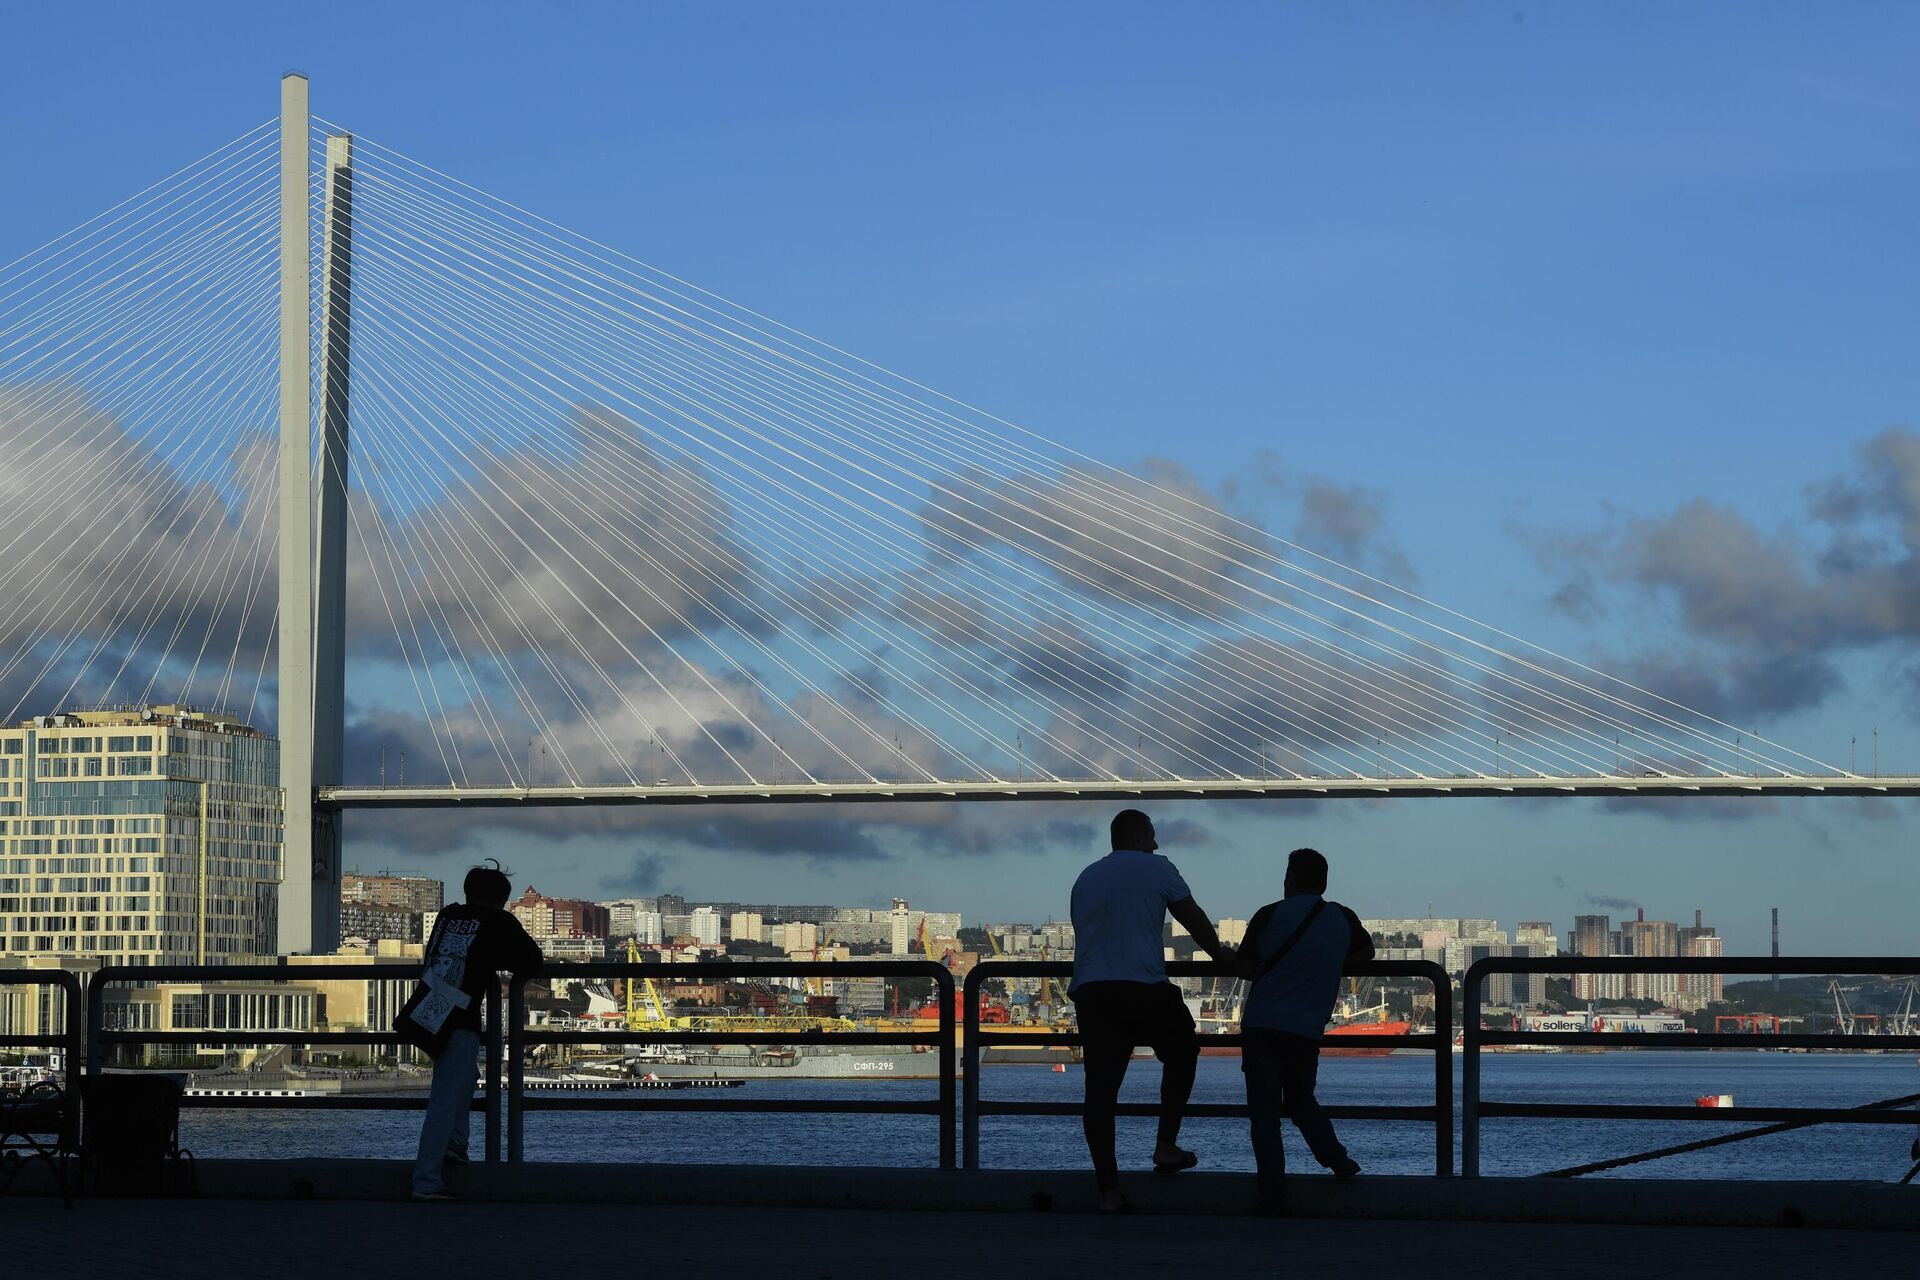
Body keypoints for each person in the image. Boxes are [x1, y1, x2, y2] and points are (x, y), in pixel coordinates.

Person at [1069, 808, 1234, 1213]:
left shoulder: (1086, 876)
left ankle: (1108, 1191)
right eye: (1153, 836)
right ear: (1141, 838)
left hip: (1092, 992)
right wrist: (1219, 956)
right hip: (1142, 986)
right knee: (1182, 1052)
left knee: (1100, 1093)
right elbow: (1191, 916)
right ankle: (1165, 1144)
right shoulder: (1157, 868)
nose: (1158, 844)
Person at [1233, 847, 1370, 1215]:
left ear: (1288, 879)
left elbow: (1245, 965)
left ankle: (1273, 1196)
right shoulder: (1342, 917)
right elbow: (1366, 954)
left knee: (1264, 1114)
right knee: (1299, 1099)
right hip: (1307, 1028)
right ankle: (1337, 1159)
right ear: (1324, 882)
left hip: (1263, 1024)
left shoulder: (1269, 914)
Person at [400, 861, 542, 1201]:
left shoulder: (448, 915)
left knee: (463, 1082)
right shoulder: (498, 921)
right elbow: (531, 961)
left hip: (425, 1014)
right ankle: (426, 1181)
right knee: (446, 1101)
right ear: (502, 899)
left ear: (468, 892)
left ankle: (455, 1146)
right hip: (459, 1019)